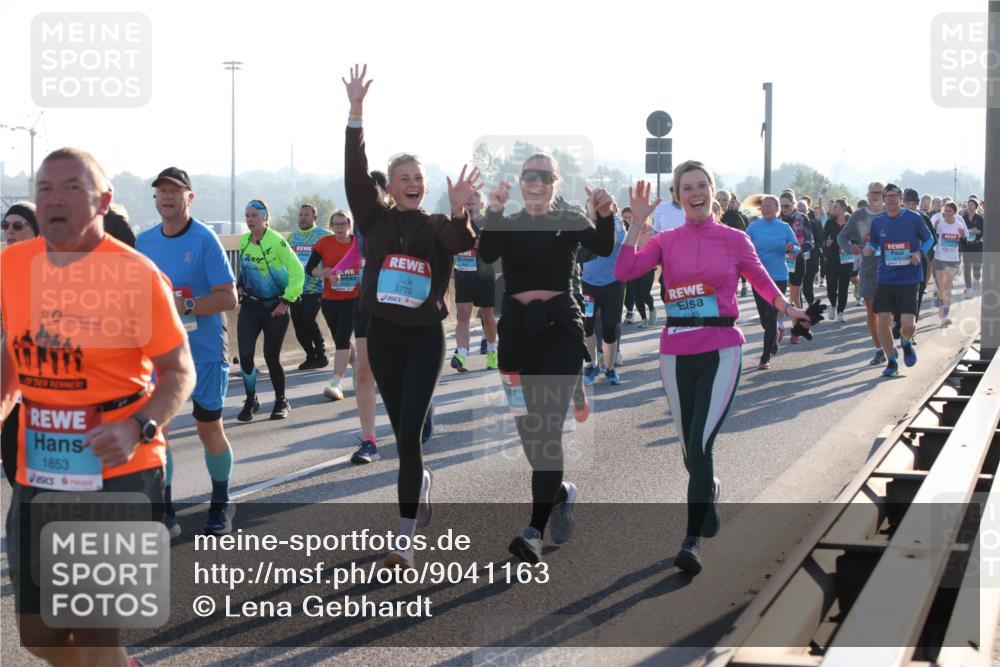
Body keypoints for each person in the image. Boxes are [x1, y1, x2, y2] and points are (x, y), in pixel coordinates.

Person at [2, 147, 195, 666]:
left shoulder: (136, 274)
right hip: (40, 468)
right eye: (45, 189)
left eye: (72, 188)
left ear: (103, 201)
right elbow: (13, 352)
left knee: (92, 633)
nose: (54, 199)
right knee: (39, 638)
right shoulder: (12, 265)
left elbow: (180, 371)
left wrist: (138, 426)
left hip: (120, 468)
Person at [615, 164, 810, 575]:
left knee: (701, 445)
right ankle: (710, 489)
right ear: (677, 196)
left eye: (702, 185)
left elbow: (761, 280)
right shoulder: (666, 241)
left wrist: (787, 308)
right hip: (675, 351)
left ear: (712, 191)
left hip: (722, 349)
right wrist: (636, 224)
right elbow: (625, 271)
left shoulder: (735, 239)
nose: (696, 192)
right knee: (690, 452)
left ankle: (691, 540)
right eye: (687, 187)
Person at [343, 65, 477, 569]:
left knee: (409, 437)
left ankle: (404, 538)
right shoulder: (373, 218)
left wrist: (461, 212)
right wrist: (356, 114)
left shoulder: (437, 225)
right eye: (404, 178)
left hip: (424, 340)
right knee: (402, 436)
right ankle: (418, 482)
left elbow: (461, 241)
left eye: (419, 178)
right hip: (383, 337)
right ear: (391, 187)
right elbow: (354, 174)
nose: (413, 184)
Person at [479, 148, 614, 564]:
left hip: (560, 331)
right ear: (521, 183)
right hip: (516, 334)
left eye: (545, 176)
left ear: (556, 183)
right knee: (528, 432)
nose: (536, 182)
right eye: (529, 176)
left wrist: (605, 214)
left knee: (547, 429)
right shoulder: (509, 222)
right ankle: (558, 493)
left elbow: (603, 245)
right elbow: (486, 254)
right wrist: (493, 212)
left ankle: (534, 531)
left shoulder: (569, 218)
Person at [137, 166, 240, 537]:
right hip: (160, 355)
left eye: (175, 191)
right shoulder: (144, 242)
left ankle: (221, 503)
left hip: (204, 350)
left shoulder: (204, 239)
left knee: (208, 428)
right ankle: (166, 511)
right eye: (161, 191)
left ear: (189, 198)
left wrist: (188, 305)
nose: (167, 197)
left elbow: (229, 297)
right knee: (157, 431)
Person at [235, 198, 304, 421]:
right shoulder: (244, 240)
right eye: (247, 216)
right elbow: (244, 269)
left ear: (265, 218)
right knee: (245, 355)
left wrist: (286, 302)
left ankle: (281, 400)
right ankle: (251, 399)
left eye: (254, 215)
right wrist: (239, 286)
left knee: (271, 357)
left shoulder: (277, 241)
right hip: (250, 307)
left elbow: (298, 272)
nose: (250, 220)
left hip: (274, 308)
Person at [864, 184, 933, 378]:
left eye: (895, 196)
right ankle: (892, 360)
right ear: (884, 199)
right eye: (888, 196)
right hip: (885, 278)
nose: (891, 199)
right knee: (883, 321)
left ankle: (905, 341)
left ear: (901, 198)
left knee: (908, 324)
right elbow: (873, 241)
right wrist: (869, 247)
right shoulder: (878, 221)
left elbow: (929, 240)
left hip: (909, 278)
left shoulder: (914, 218)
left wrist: (918, 252)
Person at [1, 202, 39, 486]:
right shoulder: (4, 267)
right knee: (14, 470)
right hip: (15, 387)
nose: (9, 231)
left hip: (50, 392)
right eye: (5, 226)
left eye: (17, 225)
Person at [306, 210, 359, 401]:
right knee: (340, 340)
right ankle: (357, 367)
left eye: (343, 224)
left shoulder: (358, 244)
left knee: (343, 338)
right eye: (336, 224)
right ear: (331, 226)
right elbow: (310, 268)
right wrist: (324, 273)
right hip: (330, 299)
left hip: (353, 298)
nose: (339, 227)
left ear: (350, 225)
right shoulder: (324, 243)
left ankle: (336, 382)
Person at [746, 195, 800, 369]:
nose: (766, 208)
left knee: (770, 316)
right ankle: (774, 335)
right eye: (763, 205)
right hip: (758, 277)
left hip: (779, 277)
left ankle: (765, 357)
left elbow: (797, 247)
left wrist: (792, 248)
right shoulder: (753, 227)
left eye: (770, 205)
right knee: (764, 319)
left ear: (777, 208)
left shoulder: (784, 227)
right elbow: (743, 247)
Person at [838, 183, 887, 365]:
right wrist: (850, 248)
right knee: (872, 312)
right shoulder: (858, 216)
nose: (875, 195)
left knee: (886, 313)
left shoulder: (892, 212)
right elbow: (842, 237)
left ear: (884, 194)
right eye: (872, 192)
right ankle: (879, 349)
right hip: (868, 270)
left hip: (890, 269)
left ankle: (888, 344)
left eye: (878, 192)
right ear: (867, 194)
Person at [581, 197, 628, 385]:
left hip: (613, 284)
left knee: (609, 328)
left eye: (599, 206)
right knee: (587, 325)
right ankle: (591, 364)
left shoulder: (617, 223)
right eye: (591, 207)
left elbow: (616, 242)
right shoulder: (583, 225)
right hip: (588, 284)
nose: (595, 210)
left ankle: (609, 368)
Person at [451, 189, 498, 372]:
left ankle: (492, 350)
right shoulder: (457, 222)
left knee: (487, 316)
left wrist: (481, 244)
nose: (470, 207)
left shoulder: (488, 223)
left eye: (473, 204)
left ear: (482, 205)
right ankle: (462, 355)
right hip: (463, 274)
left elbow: (495, 250)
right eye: (467, 204)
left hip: (484, 276)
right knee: (463, 315)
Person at [289, 203, 332, 370]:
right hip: (296, 289)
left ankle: (322, 352)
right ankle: (310, 355)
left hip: (316, 287)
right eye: (300, 215)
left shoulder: (324, 235)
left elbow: (337, 250)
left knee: (308, 319)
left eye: (306, 215)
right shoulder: (292, 237)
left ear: (315, 217)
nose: (302, 218)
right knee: (298, 326)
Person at [778, 191, 813, 344]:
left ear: (793, 204)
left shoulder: (802, 218)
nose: (783, 209)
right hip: (778, 261)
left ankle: (797, 329)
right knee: (778, 296)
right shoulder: (776, 219)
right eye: (781, 206)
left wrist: (797, 251)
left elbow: (809, 242)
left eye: (786, 206)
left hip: (796, 261)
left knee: (794, 296)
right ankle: (778, 327)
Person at [622, 206, 658, 327]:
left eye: (630, 217)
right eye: (625, 218)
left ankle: (652, 308)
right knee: (636, 295)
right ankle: (643, 319)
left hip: (648, 267)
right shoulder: (626, 231)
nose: (628, 220)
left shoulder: (651, 231)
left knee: (645, 294)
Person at [933, 202, 966, 326]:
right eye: (945, 210)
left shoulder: (959, 225)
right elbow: (933, 237)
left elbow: (965, 239)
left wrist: (962, 235)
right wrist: (934, 230)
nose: (947, 213)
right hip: (940, 257)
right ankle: (941, 305)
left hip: (952, 258)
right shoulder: (939, 223)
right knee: (941, 285)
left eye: (950, 211)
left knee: (948, 285)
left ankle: (945, 315)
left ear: (954, 213)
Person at [823, 198, 855, 322]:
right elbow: (823, 239)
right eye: (833, 206)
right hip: (832, 257)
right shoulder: (830, 222)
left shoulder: (851, 222)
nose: (833, 208)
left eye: (836, 206)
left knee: (844, 286)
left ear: (843, 209)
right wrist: (826, 243)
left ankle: (841, 313)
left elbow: (857, 238)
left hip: (847, 257)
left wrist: (851, 244)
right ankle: (833, 305)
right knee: (831, 285)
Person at [960, 196, 984, 295]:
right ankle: (968, 287)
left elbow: (984, 232)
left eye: (972, 204)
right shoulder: (963, 218)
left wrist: (978, 231)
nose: (970, 206)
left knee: (977, 266)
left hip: (977, 245)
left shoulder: (979, 218)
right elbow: (959, 230)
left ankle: (977, 281)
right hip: (966, 245)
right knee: (967, 267)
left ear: (976, 206)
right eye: (968, 204)